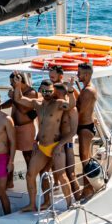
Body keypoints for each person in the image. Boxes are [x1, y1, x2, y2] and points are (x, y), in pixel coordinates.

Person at [13, 77, 72, 212]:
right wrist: (17, 85)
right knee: (30, 174)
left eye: (49, 91)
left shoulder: (58, 103)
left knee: (62, 176)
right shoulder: (37, 104)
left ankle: (70, 203)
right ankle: (32, 204)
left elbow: (70, 105)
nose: (46, 94)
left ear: (54, 91)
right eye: (44, 91)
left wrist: (70, 90)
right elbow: (19, 99)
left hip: (56, 146)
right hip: (42, 147)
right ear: (40, 90)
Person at [1, 72, 38, 183]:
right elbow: (12, 101)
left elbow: (24, 110)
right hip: (14, 128)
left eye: (13, 82)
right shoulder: (17, 92)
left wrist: (14, 97)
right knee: (9, 156)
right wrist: (0, 106)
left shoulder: (31, 92)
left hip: (26, 128)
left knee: (28, 157)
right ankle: (9, 182)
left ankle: (32, 181)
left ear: (20, 81)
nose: (11, 84)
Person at [52, 82, 82, 202]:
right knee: (60, 174)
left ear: (59, 93)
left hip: (67, 145)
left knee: (71, 174)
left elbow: (73, 131)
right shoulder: (56, 106)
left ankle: (78, 199)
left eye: (54, 92)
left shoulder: (71, 109)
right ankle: (69, 199)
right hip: (57, 145)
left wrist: (60, 144)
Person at [75, 63, 98, 201]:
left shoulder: (88, 91)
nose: (78, 75)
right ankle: (88, 186)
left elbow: (80, 109)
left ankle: (88, 188)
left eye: (80, 73)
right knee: (85, 158)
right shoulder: (87, 89)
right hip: (86, 126)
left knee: (85, 160)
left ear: (87, 75)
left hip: (85, 128)